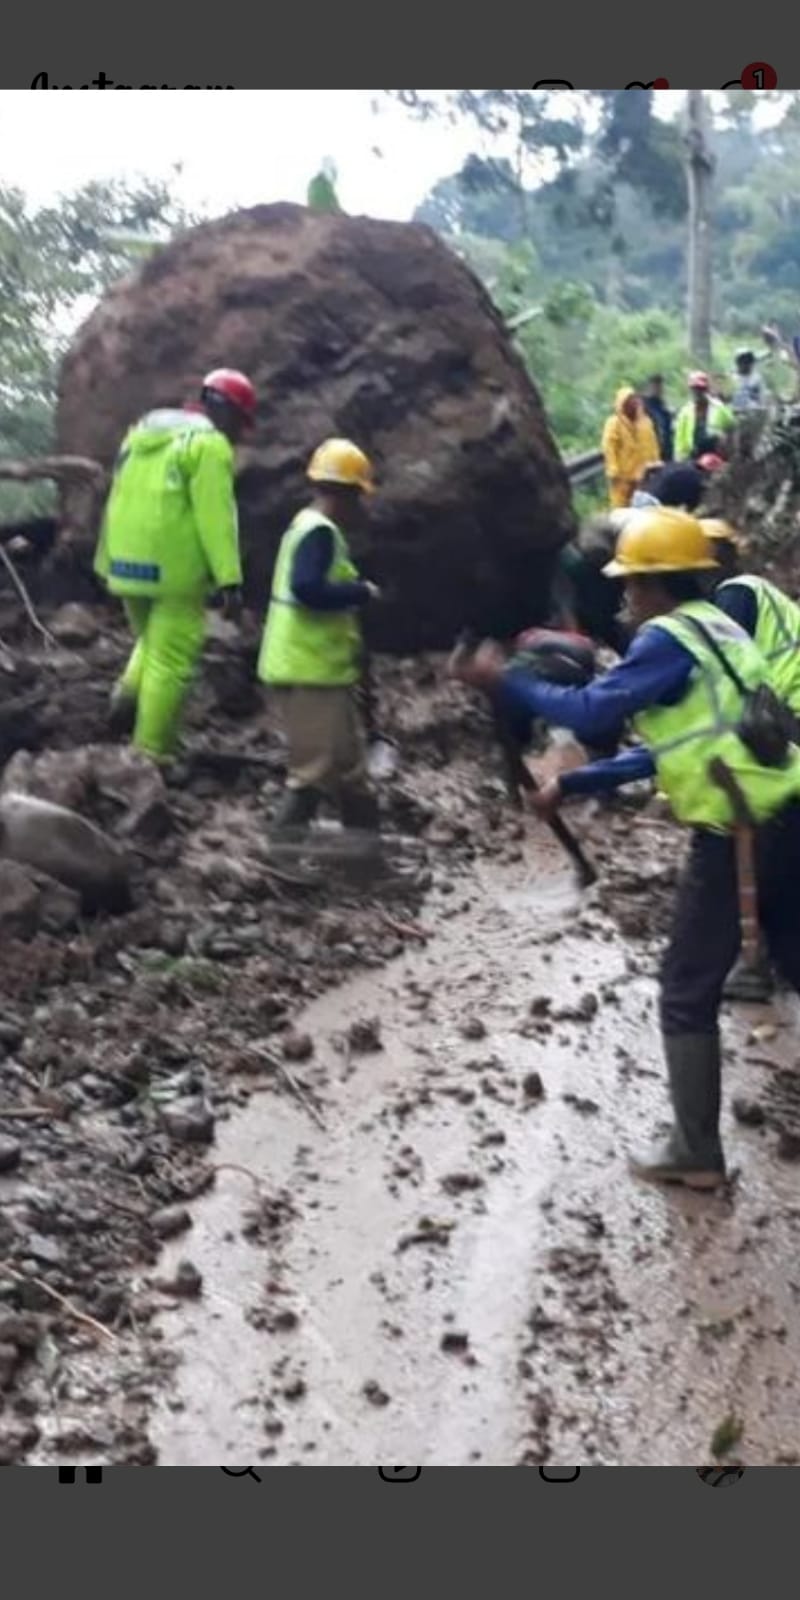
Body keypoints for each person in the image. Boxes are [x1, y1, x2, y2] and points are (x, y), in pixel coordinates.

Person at [449, 508, 800, 1191]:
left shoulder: (666, 639)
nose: (624, 599)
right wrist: (575, 780)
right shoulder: (719, 627)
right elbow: (672, 749)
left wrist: (505, 679)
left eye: (631, 585)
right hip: (789, 808)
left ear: (656, 586)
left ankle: (696, 1150)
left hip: (741, 825)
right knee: (794, 954)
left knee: (684, 989)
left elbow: (589, 713)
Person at [95, 367, 256, 763]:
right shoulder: (208, 445)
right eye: (241, 424)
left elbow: (115, 497)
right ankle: (152, 756)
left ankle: (129, 695)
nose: (240, 436)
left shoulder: (138, 436)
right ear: (228, 412)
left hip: (125, 563)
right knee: (171, 661)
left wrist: (105, 561)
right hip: (174, 572)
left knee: (152, 640)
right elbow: (214, 516)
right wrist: (229, 579)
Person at [258, 437, 381, 839]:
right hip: (308, 671)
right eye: (358, 496)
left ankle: (366, 858)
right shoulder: (319, 533)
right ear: (346, 494)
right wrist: (360, 592)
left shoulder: (308, 527)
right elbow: (307, 589)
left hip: (322, 672)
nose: (361, 507)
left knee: (350, 769)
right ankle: (281, 852)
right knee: (311, 772)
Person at [601, 387, 662, 509]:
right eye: (629, 400)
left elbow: (653, 444)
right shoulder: (614, 423)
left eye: (634, 399)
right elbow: (609, 447)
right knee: (622, 508)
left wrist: (656, 463)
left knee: (644, 507)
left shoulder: (645, 422)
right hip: (623, 476)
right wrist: (613, 468)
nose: (633, 403)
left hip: (644, 475)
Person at [674, 372, 735, 463]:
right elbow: (679, 438)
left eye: (701, 389)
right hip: (693, 456)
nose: (697, 392)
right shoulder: (685, 412)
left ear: (706, 390)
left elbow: (732, 427)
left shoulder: (719, 407)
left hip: (715, 454)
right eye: (695, 389)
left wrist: (727, 446)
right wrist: (679, 458)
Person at [641, 375, 674, 462]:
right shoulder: (641, 406)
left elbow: (668, 431)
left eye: (660, 386)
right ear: (649, 387)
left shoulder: (663, 409)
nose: (658, 389)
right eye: (655, 386)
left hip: (663, 453)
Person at [730, 348, 767, 414]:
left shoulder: (756, 378)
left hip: (751, 411)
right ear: (738, 363)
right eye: (744, 362)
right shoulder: (732, 377)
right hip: (734, 410)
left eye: (749, 362)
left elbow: (761, 398)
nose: (747, 365)